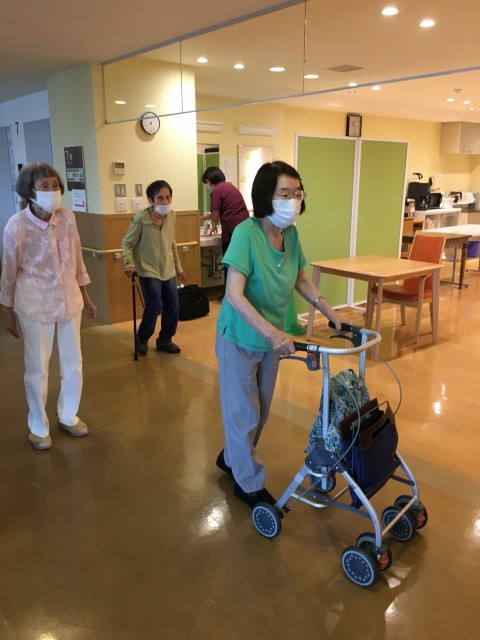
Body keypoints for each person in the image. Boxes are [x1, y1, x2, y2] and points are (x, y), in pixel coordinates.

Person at [214, 160, 342, 509]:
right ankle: (248, 484)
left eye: (297, 193)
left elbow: (300, 279)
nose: (293, 200)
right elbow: (234, 295)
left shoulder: (290, 235)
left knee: (262, 411)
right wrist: (272, 333)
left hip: (271, 341)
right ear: (266, 196)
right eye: (284, 193)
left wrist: (329, 311)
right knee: (244, 414)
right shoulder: (246, 234)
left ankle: (231, 457)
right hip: (239, 339)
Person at [0, 162, 98, 450]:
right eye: (45, 186)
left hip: (69, 300)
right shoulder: (17, 225)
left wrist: (86, 297)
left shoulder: (67, 218)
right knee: (37, 368)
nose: (53, 191)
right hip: (35, 305)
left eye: (55, 186)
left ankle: (68, 415)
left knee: (73, 362)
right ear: (29, 191)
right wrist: (7, 311)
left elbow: (77, 261)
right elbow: (9, 271)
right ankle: (38, 426)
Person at [122, 179, 185, 356]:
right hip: (148, 269)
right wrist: (128, 263)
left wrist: (179, 267)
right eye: (160, 198)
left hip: (168, 269)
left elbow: (172, 243)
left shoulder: (171, 216)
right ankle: (142, 338)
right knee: (155, 304)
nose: (165, 201)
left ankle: (165, 340)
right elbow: (127, 243)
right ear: (151, 200)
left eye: (168, 197)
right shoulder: (141, 219)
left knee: (173, 304)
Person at [201, 166, 249, 300]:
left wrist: (213, 226)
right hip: (245, 229)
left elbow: (216, 212)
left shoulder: (216, 191)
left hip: (233, 230)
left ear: (209, 180)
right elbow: (222, 210)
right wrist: (203, 218)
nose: (207, 186)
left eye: (206, 183)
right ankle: (240, 294)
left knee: (230, 263)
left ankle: (229, 295)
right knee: (242, 264)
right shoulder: (230, 187)